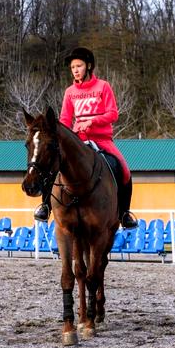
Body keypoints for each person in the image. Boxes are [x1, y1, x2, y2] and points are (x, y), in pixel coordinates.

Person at [33, 47, 138, 229]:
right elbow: (65, 120)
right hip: (78, 142)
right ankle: (45, 206)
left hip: (102, 140)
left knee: (125, 171)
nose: (75, 69)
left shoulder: (103, 87)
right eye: (73, 67)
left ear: (88, 66)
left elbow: (113, 114)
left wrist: (92, 121)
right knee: (55, 165)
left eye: (79, 65)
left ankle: (124, 214)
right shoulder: (69, 92)